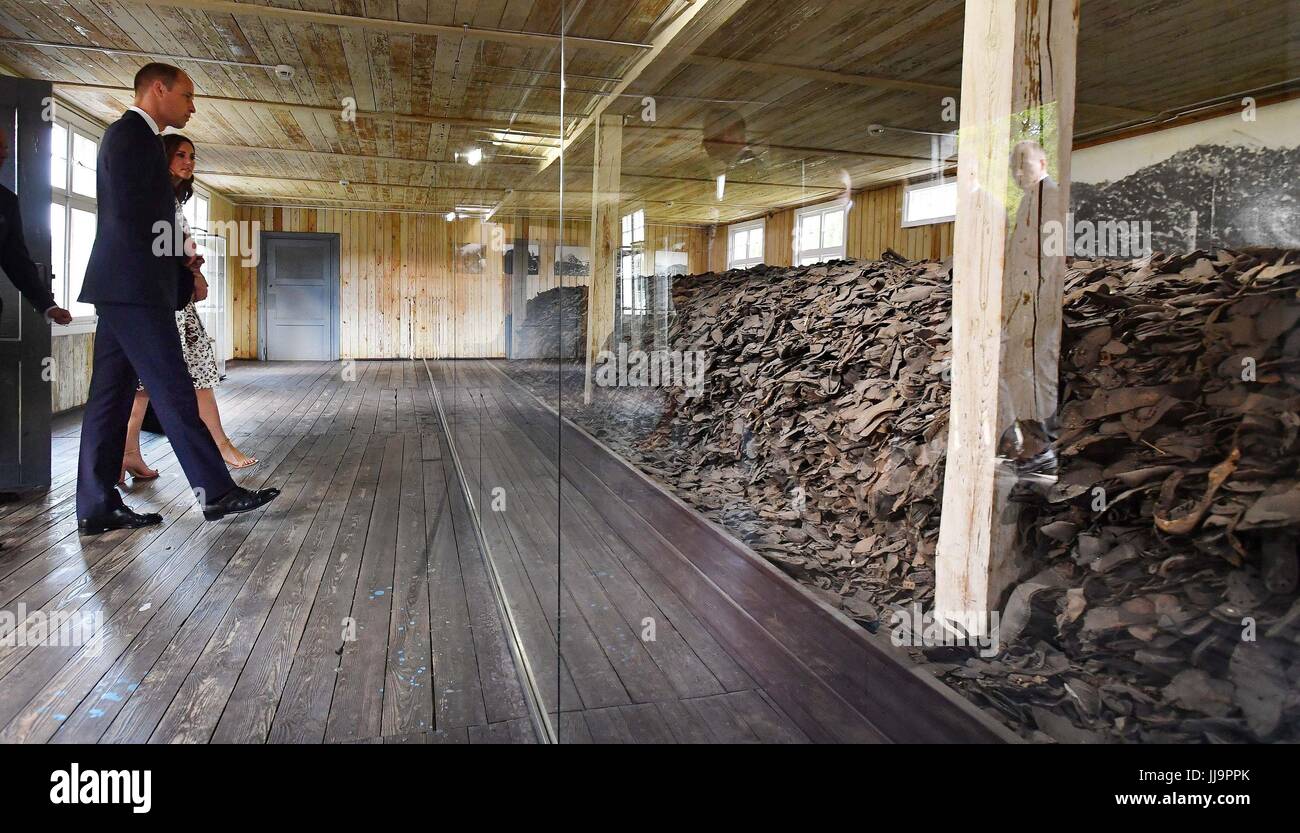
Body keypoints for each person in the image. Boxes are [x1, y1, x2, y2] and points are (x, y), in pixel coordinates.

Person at [75, 62, 277, 535]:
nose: (191, 106)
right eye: (187, 96)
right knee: (172, 388)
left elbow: (144, 220)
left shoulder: (133, 139)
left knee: (109, 400)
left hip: (125, 288)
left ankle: (96, 506)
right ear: (158, 89)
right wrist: (180, 276)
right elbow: (138, 221)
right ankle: (217, 493)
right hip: (136, 288)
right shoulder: (133, 136)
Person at [120, 133, 257, 484]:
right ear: (161, 159)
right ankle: (218, 446)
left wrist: (193, 269)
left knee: (163, 382)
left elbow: (177, 248)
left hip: (174, 302)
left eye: (192, 156)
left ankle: (128, 454)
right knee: (171, 381)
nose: (188, 161)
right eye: (180, 154)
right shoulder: (152, 198)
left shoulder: (171, 202)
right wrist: (190, 267)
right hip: (159, 303)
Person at [0, 128, 73, 325]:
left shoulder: (6, 202)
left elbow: (16, 261)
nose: (4, 154)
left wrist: (48, 306)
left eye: (5, 147)